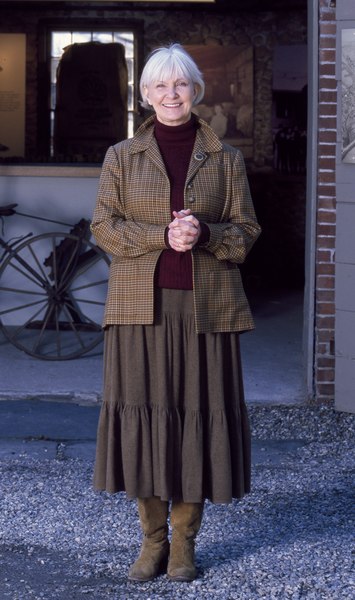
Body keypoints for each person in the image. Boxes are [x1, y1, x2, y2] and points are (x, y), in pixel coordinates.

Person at [91, 43, 261, 583]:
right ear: (145, 95)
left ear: (196, 92)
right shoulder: (121, 155)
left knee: (195, 421)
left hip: (207, 310)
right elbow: (103, 228)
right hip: (139, 308)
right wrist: (159, 236)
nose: (171, 94)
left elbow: (247, 233)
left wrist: (205, 233)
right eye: (160, 86)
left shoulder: (226, 159)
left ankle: (185, 544)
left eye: (181, 85)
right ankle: (151, 541)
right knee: (143, 420)